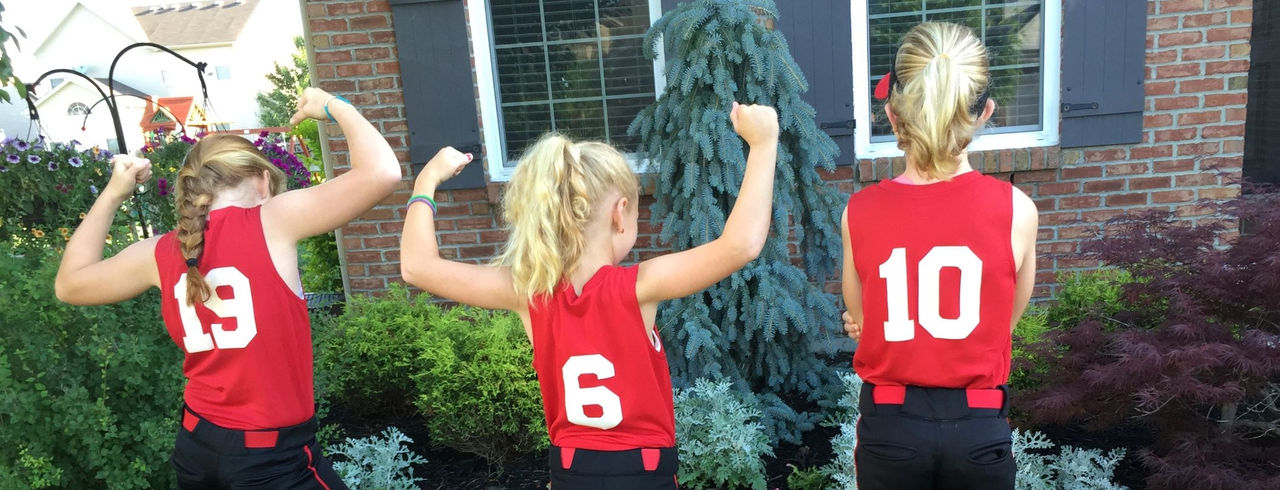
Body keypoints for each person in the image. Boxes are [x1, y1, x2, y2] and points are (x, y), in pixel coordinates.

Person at [400, 102, 779, 489]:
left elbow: (417, 266)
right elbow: (742, 244)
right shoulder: (639, 286)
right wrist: (763, 144)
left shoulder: (527, 292)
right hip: (643, 474)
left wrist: (426, 182)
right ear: (620, 212)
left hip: (570, 472)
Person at [54, 87, 401, 489]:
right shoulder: (273, 220)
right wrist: (334, 105)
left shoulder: (157, 252)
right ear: (262, 180)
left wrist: (114, 193)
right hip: (269, 458)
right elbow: (382, 173)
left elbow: (69, 285)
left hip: (197, 447)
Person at [839, 22, 1039, 490]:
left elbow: (863, 320)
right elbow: (1001, 323)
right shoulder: (1017, 210)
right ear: (985, 111)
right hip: (978, 429)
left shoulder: (859, 210)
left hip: (891, 426)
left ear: (892, 116)